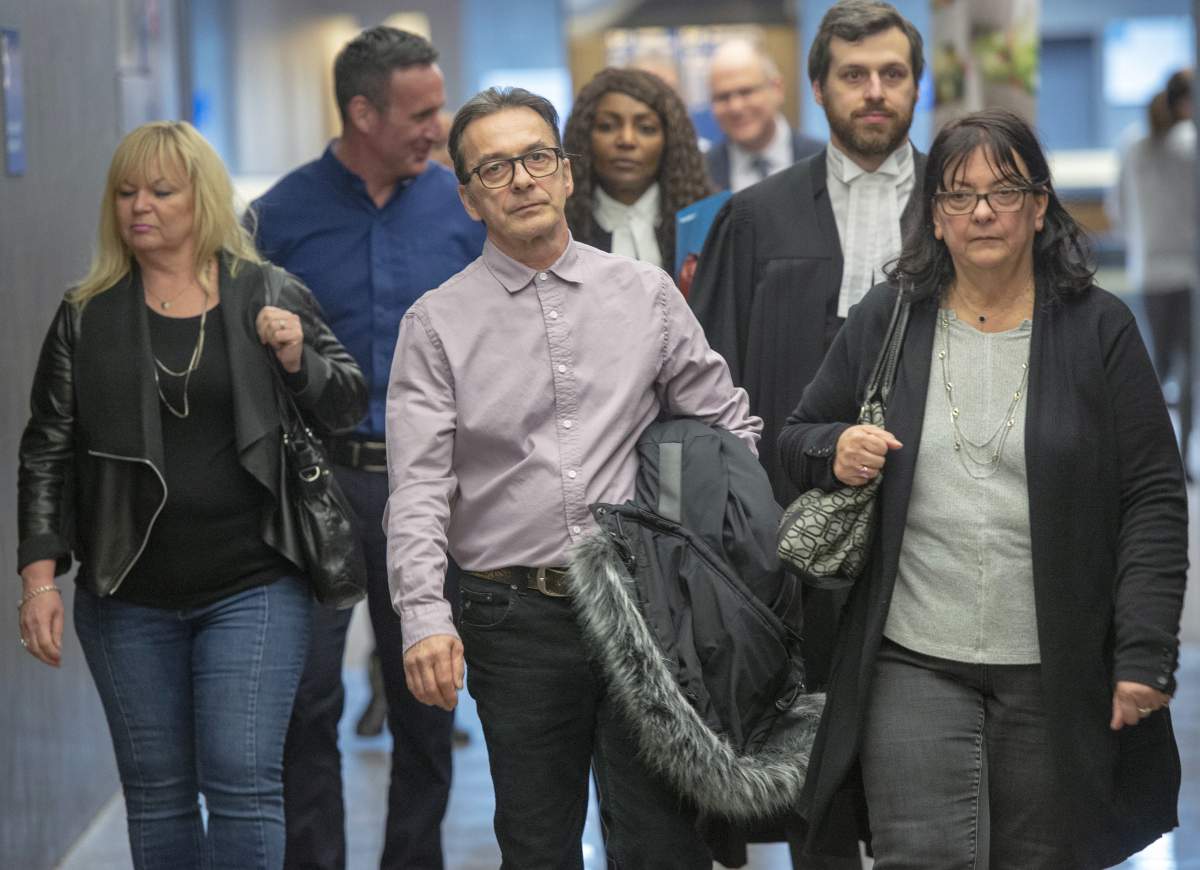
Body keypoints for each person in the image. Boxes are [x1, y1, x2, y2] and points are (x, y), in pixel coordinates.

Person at [779, 108, 1186, 868]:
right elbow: (795, 437)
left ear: (1039, 207)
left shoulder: (1101, 331)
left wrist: (1143, 652)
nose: (983, 212)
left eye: (1004, 191)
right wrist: (836, 447)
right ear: (935, 218)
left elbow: (1154, 501)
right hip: (911, 656)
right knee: (920, 854)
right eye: (959, 196)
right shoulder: (888, 320)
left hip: (1055, 663)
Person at [388, 86, 762, 869]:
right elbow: (419, 486)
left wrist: (736, 562)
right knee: (535, 845)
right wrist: (424, 616)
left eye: (536, 158)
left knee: (663, 844)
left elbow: (729, 426)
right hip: (511, 614)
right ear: (469, 198)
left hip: (643, 609)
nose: (521, 179)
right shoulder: (435, 324)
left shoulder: (645, 294)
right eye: (495, 168)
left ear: (565, 174)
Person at [16, 120, 367, 870]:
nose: (140, 206)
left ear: (201, 197)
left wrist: (299, 356)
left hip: (255, 581)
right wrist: (38, 578)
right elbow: (46, 446)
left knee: (242, 782)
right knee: (159, 794)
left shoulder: (266, 291)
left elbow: (345, 403)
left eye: (161, 190)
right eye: (126, 192)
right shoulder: (88, 314)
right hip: (126, 593)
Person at [249, 26, 486, 870]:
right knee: (306, 703)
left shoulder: (463, 209)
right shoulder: (278, 218)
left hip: (431, 494)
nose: (438, 127)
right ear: (362, 112)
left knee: (428, 701)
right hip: (314, 491)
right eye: (421, 114)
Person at [1109, 69, 1195, 476]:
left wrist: (1137, 242)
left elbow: (1117, 208)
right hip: (1187, 270)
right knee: (1189, 366)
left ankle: (1155, 458)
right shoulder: (1189, 145)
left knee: (1156, 366)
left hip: (1149, 270)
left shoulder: (1132, 144)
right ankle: (1181, 453)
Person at [563, 66, 713, 271]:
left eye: (646, 128)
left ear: (670, 140)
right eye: (607, 126)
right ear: (584, 138)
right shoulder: (559, 228)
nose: (626, 140)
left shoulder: (707, 224)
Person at [705, 38, 823, 192]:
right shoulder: (701, 173)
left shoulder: (825, 162)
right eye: (723, 97)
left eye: (746, 92)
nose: (736, 107)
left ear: (777, 89)